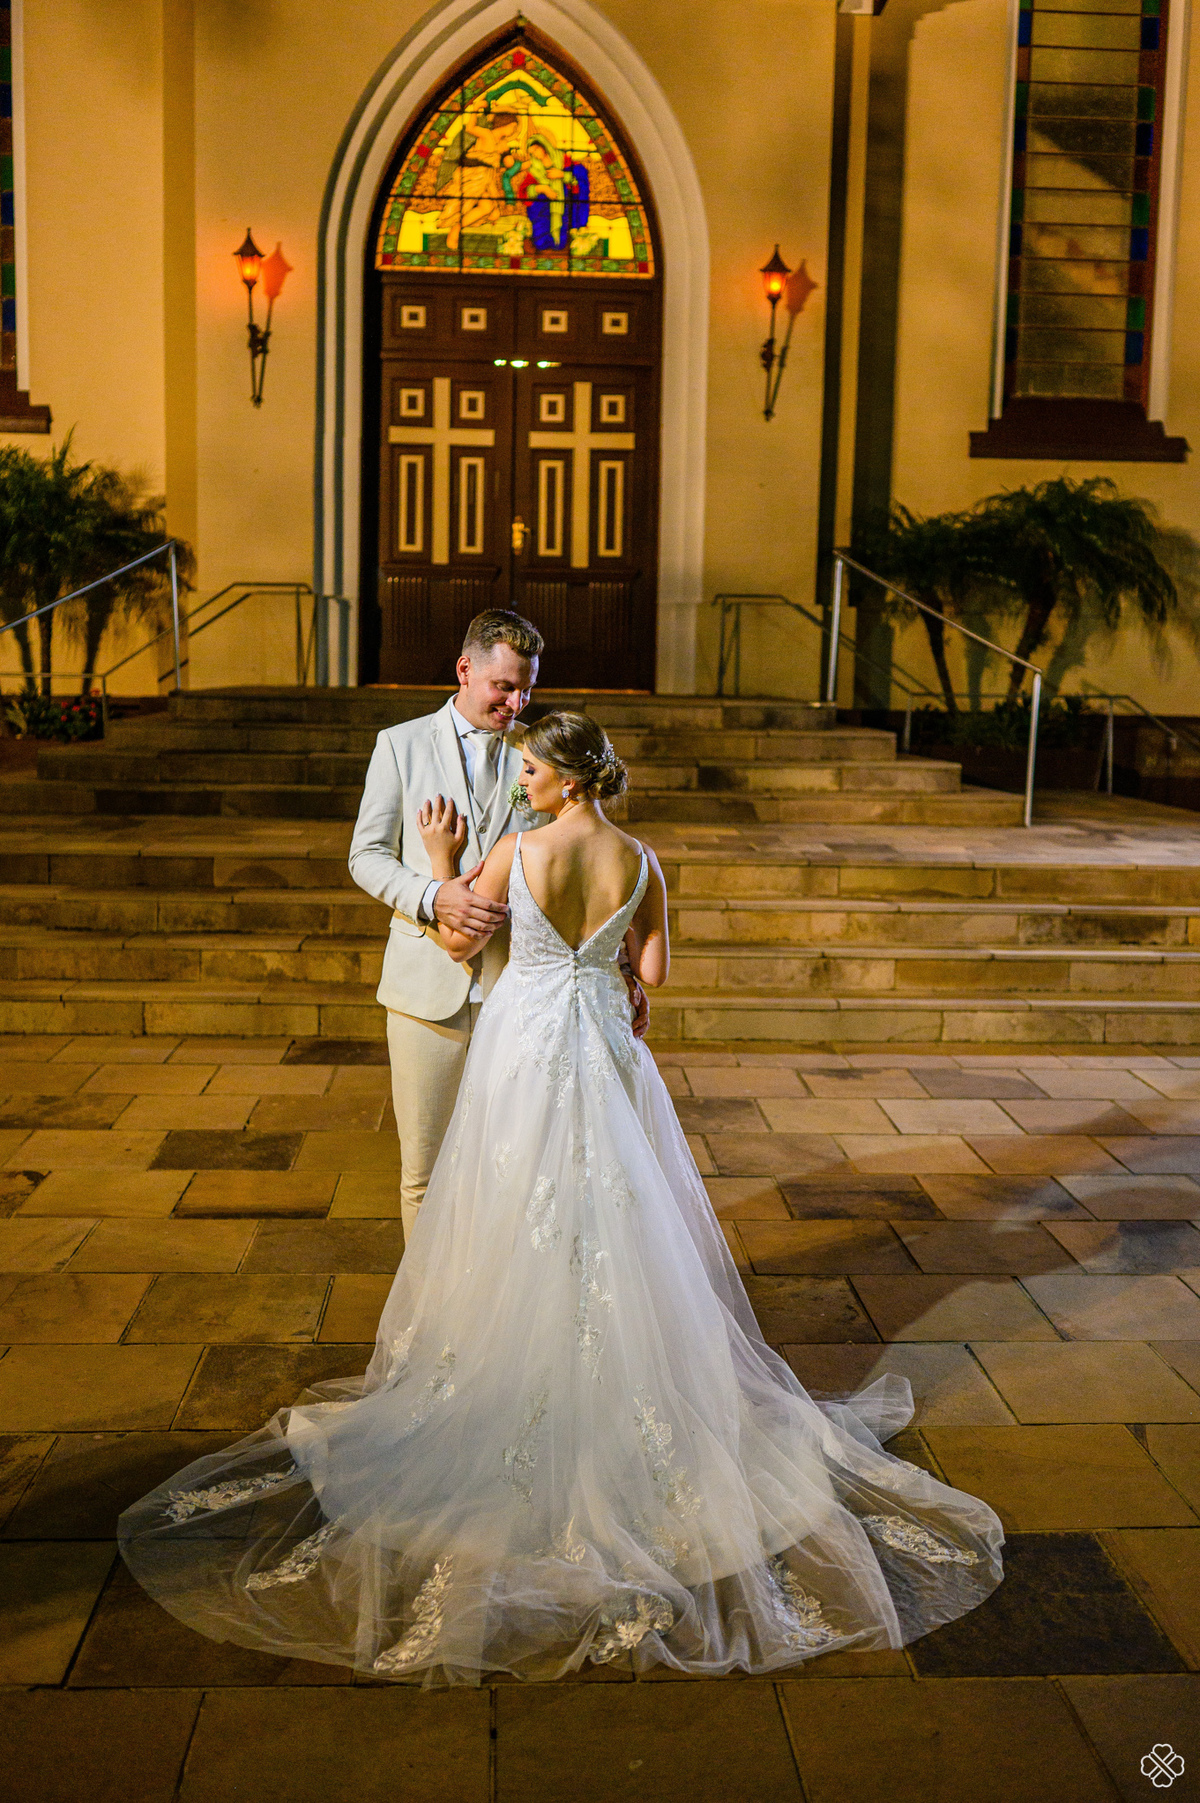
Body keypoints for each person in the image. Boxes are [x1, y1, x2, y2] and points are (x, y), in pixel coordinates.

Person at [118, 711, 1004, 1685]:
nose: (523, 778)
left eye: (533, 768)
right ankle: (623, 1401)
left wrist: (443, 857)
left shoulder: (516, 848)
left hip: (527, 1058)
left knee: (516, 1215)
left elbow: (465, 951)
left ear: (567, 779)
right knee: (620, 1218)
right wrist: (618, 965)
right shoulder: (641, 857)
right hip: (609, 1056)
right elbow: (653, 970)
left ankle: (512, 1388)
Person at [347, 606, 647, 1242]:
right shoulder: (399, 745)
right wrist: (433, 895)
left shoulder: (537, 757)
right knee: (424, 1171)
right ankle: (429, 1324)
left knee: (516, 1173)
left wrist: (619, 965)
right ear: (465, 670)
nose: (518, 703)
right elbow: (365, 856)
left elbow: (577, 870)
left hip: (525, 990)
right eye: (505, 687)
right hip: (428, 987)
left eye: (528, 689)